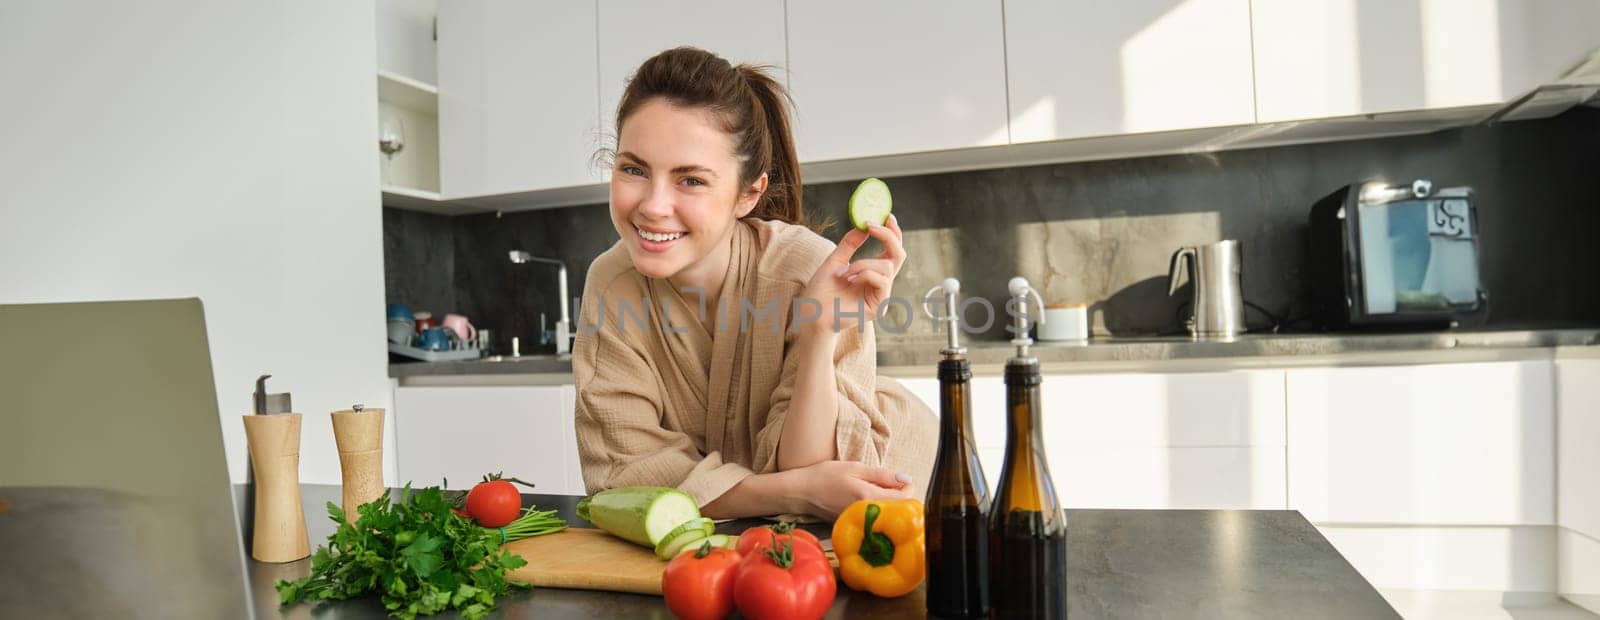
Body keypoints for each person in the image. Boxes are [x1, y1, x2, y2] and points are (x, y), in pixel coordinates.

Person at [571, 47, 937, 520]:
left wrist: (819, 335)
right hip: (739, 539)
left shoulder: (810, 269)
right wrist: (783, 492)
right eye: (634, 170)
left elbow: (821, 479)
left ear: (749, 193)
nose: (653, 205)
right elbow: (625, 474)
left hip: (901, 497)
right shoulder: (612, 283)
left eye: (691, 181)